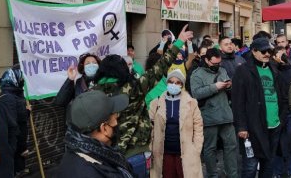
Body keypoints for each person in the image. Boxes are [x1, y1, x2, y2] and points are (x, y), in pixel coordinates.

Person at [93, 24, 193, 178]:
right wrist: (178, 42)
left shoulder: (92, 93)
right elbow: (159, 68)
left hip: (104, 154)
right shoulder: (135, 86)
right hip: (136, 153)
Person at [232, 37, 289, 178]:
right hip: (253, 127)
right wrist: (242, 127)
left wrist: (281, 120)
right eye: (263, 51)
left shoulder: (274, 69)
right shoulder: (243, 71)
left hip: (274, 125)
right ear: (254, 51)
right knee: (251, 166)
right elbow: (237, 101)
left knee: (268, 165)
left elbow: (283, 96)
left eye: (269, 51)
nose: (267, 54)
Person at [55, 90, 133, 177]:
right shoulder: (98, 171)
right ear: (104, 129)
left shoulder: (72, 154)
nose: (116, 123)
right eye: (114, 119)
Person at [190, 48, 238, 178]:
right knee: (210, 149)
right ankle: (212, 175)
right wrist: (215, 87)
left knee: (231, 146)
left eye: (219, 63)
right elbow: (196, 93)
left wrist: (229, 85)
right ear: (206, 60)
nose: (217, 66)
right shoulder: (197, 74)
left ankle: (232, 174)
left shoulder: (222, 70)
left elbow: (230, 87)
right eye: (214, 63)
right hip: (209, 116)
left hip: (226, 115)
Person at [148, 70, 204, 178]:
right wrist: (150, 148)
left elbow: (198, 126)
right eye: (171, 81)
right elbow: (150, 126)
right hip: (163, 153)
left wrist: (196, 148)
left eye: (177, 82)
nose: (173, 84)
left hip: (186, 152)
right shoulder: (156, 103)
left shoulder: (191, 102)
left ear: (182, 85)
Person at [0, 66, 29, 175]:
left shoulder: (15, 94)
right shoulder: (8, 98)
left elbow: (18, 117)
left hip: (16, 146)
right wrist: (21, 148)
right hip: (13, 147)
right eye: (20, 79)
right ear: (13, 80)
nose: (22, 81)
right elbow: (13, 125)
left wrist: (26, 111)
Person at [270, 45, 291, 177]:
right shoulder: (271, 69)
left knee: (289, 142)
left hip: (288, 110)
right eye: (279, 55)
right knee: (277, 144)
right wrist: (276, 64)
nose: (282, 57)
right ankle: (277, 171)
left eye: (284, 54)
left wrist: (285, 64)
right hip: (276, 110)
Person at [55, 53, 101, 126]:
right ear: (83, 68)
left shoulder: (105, 81)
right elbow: (60, 101)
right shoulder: (79, 83)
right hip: (82, 127)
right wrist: (70, 79)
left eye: (94, 63)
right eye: (88, 63)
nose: (91, 65)